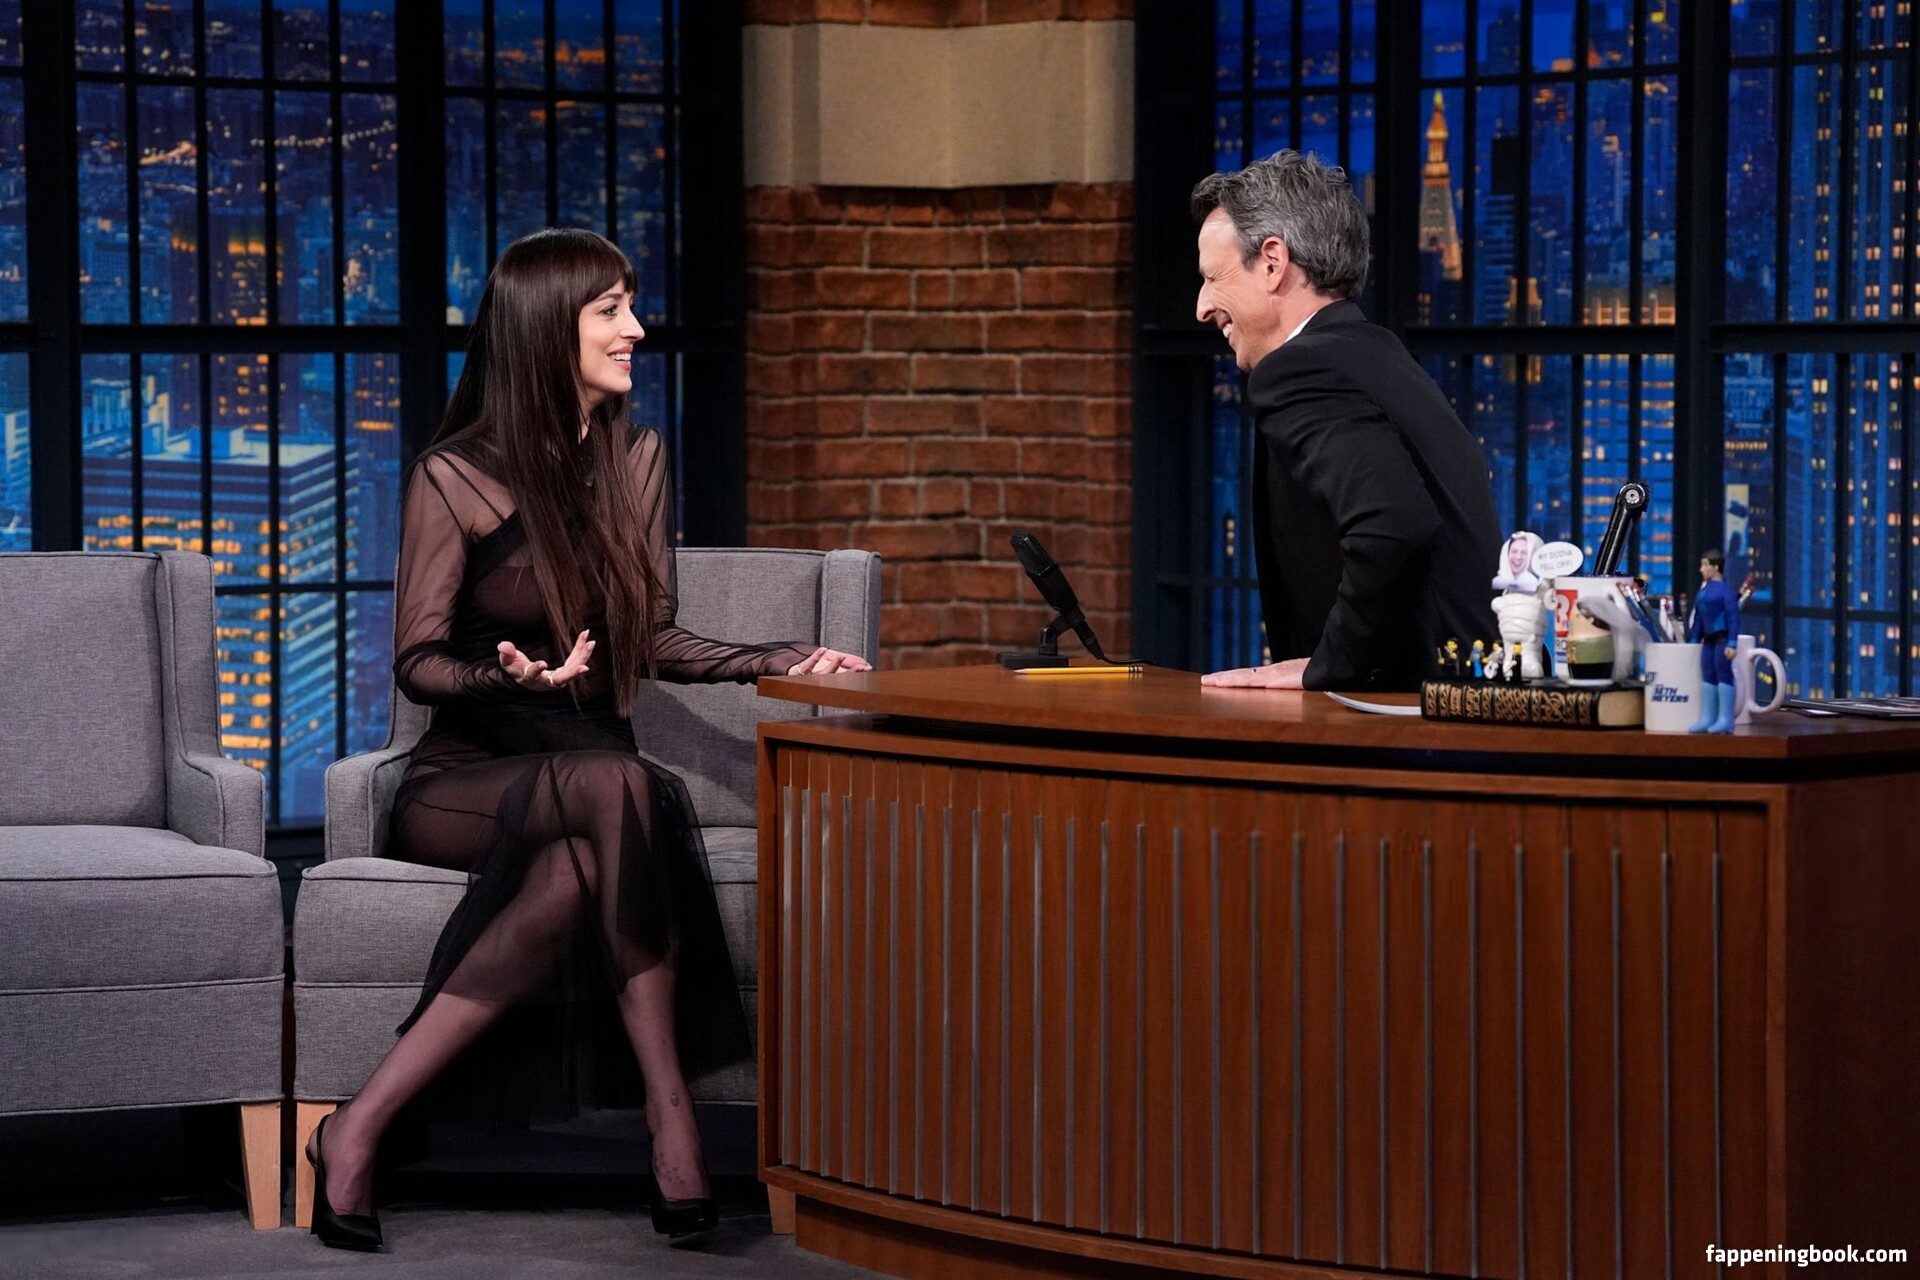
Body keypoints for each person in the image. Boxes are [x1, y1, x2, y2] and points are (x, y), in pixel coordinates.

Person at [303, 228, 871, 1253]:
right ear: (543, 327)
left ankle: (360, 1124)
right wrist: (506, 675)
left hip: (590, 772)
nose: (636, 328)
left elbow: (650, 638)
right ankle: (672, 1117)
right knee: (623, 786)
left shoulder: (635, 459)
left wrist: (776, 655)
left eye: (630, 305)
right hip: (469, 777)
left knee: (589, 838)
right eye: (610, 309)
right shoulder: (454, 475)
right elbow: (417, 660)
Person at [1191, 150, 1499, 691]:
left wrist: (1331, 664)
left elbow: (1394, 525)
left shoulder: (1300, 369)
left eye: (1213, 277)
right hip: (1458, 700)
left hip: (1396, 717)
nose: (1202, 306)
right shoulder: (1377, 353)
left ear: (1272, 262)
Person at [1687, 548, 1739, 734]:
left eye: (1705, 565)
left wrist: (1732, 643)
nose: (1701, 569)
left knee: (1723, 674)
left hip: (1722, 640)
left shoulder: (1726, 593)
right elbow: (1699, 619)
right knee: (1708, 674)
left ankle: (1726, 719)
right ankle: (1708, 716)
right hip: (1708, 642)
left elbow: (1733, 618)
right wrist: (1694, 638)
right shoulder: (1703, 592)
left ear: (1715, 567)